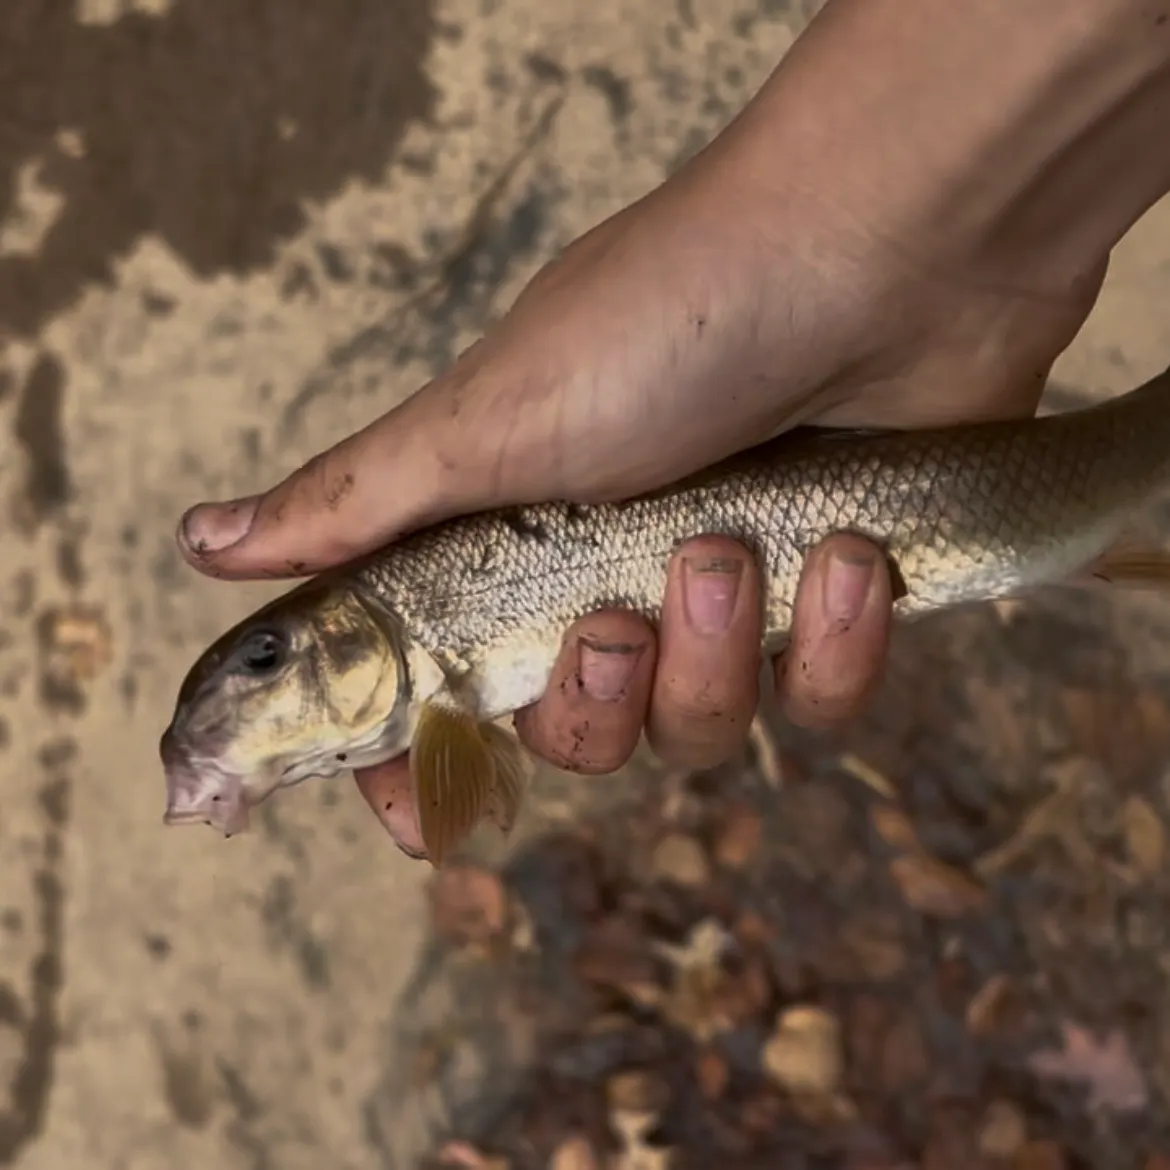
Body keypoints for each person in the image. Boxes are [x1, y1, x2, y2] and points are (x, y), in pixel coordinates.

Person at [175, 0, 1170, 856]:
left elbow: (459, 791)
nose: (254, 683)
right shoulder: (426, 700)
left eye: (271, 657)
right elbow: (463, 788)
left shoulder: (421, 671)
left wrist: (858, 242)